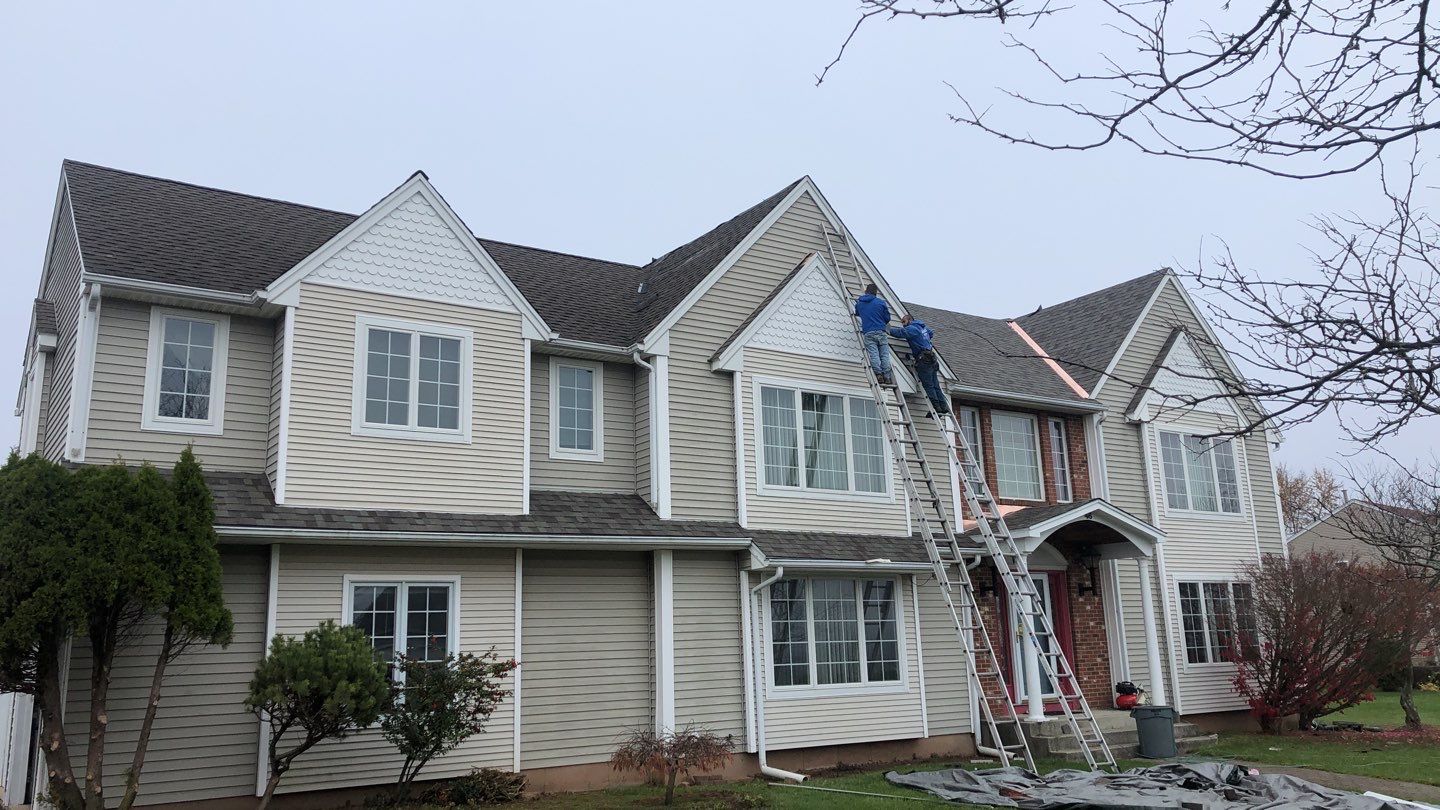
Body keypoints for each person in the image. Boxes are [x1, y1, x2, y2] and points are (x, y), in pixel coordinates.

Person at [890, 313, 951, 415]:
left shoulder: (912, 328)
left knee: (928, 385)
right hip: (932, 359)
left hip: (924, 360)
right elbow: (931, 333)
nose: (903, 325)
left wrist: (886, 329)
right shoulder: (923, 327)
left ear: (909, 320)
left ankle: (936, 407)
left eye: (904, 322)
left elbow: (900, 333)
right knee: (935, 385)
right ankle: (943, 407)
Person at [854, 283, 893, 384]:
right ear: (876, 293)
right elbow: (887, 318)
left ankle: (878, 374)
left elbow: (857, 312)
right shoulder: (881, 303)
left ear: (866, 291)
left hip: (868, 332)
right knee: (884, 354)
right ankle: (887, 377)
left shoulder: (860, 302)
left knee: (874, 354)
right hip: (880, 331)